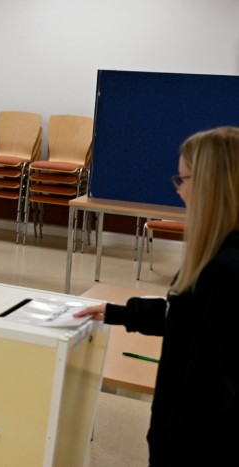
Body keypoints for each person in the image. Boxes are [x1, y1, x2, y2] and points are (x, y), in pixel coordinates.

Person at [74, 126, 239, 466]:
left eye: (185, 180)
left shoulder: (225, 271)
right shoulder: (220, 259)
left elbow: (206, 387)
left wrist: (168, 447)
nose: (180, 192)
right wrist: (120, 313)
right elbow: (189, 317)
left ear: (212, 184)